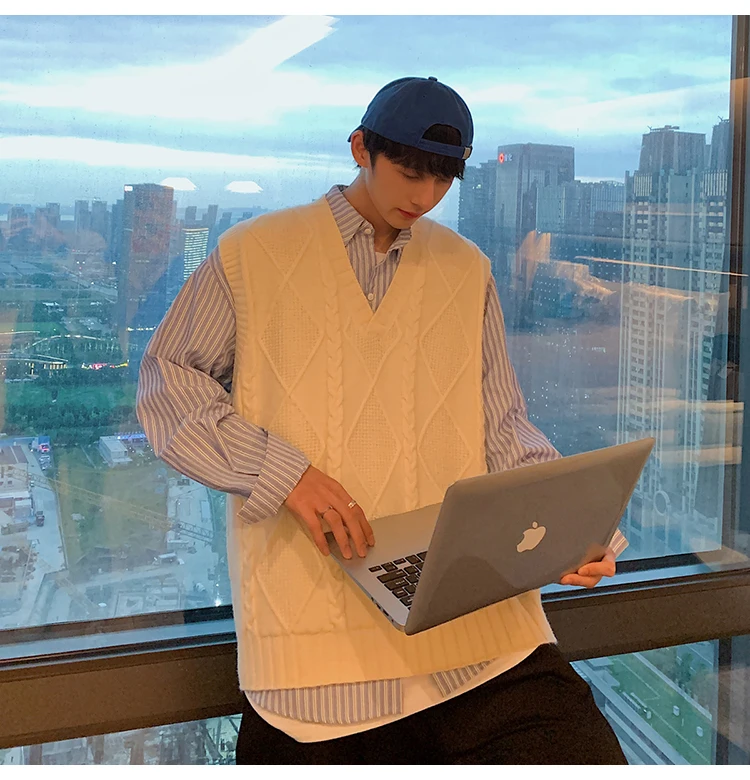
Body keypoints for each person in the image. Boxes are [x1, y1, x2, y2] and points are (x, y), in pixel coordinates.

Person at [137, 76, 629, 765]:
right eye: (408, 170)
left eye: (442, 178)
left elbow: (502, 428)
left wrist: (574, 525)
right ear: (360, 147)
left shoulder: (467, 269)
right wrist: (284, 473)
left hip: (484, 638)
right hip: (314, 664)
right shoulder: (254, 253)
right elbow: (168, 384)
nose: (424, 196)